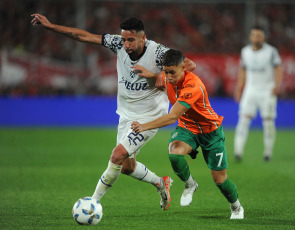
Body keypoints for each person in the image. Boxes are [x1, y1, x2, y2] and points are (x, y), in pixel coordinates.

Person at [31, 14, 196, 211]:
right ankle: (161, 183)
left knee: (117, 156)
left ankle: (92, 203)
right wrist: (50, 26)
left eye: (131, 40)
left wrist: (159, 74)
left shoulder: (158, 52)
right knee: (126, 166)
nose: (126, 45)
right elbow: (84, 36)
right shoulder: (117, 44)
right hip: (126, 115)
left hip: (150, 116)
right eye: (124, 39)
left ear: (143, 38)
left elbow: (190, 65)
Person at [131, 49, 244, 219]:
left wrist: (143, 126)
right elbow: (162, 79)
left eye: (172, 72)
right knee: (174, 153)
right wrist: (152, 75)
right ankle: (190, 185)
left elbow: (172, 116)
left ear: (184, 68)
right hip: (188, 128)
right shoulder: (168, 76)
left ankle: (236, 207)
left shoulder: (193, 86)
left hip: (210, 132)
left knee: (220, 181)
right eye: (166, 72)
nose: (168, 77)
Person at [233, 26, 283, 162]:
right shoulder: (245, 52)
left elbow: (278, 69)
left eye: (259, 35)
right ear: (250, 37)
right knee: (243, 120)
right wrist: (239, 88)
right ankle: (238, 152)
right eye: (254, 35)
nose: (256, 38)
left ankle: (267, 153)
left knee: (268, 122)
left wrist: (277, 85)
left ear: (263, 37)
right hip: (250, 90)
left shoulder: (271, 51)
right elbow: (243, 71)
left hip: (267, 90)